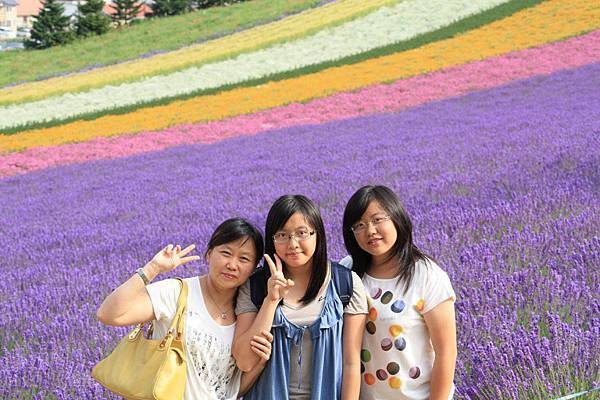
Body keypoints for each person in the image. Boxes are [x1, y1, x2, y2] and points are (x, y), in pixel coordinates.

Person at [96, 218, 273, 400]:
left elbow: (229, 391)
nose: (232, 265)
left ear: (253, 268)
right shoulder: (177, 293)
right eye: (226, 253)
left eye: (244, 258)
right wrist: (152, 269)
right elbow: (109, 314)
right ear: (209, 253)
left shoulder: (246, 315)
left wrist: (259, 364)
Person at [233, 194, 368, 400]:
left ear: (317, 234)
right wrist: (271, 300)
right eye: (282, 235)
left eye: (302, 233)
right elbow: (244, 361)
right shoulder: (254, 286)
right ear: (272, 239)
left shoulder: (345, 284)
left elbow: (351, 362)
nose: (293, 243)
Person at [341, 185, 457, 400]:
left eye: (377, 220)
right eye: (359, 225)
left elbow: (446, 353)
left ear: (396, 217)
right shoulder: (347, 271)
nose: (370, 231)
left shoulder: (426, 275)